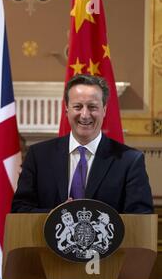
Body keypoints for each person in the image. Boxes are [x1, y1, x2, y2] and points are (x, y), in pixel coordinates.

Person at [11, 74, 154, 214]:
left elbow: (141, 217)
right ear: (67, 109)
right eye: (78, 107)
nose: (85, 115)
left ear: (104, 110)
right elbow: (20, 209)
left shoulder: (130, 161)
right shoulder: (39, 156)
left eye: (92, 107)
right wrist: (55, 216)